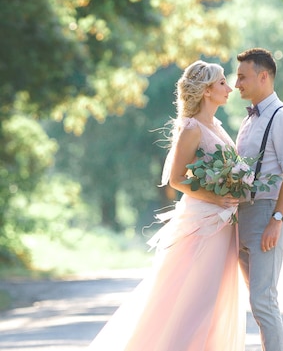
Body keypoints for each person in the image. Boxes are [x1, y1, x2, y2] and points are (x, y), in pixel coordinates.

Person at [87, 60, 245, 351]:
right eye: (222, 82)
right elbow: (175, 179)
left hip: (224, 223)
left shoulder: (218, 126)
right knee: (195, 300)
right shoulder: (192, 129)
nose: (230, 87)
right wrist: (216, 198)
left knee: (216, 300)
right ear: (207, 90)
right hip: (204, 224)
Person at [235, 48, 283, 351]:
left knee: (263, 300)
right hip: (242, 216)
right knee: (256, 299)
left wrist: (278, 219)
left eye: (242, 77)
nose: (236, 83)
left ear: (263, 76)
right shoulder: (248, 121)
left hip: (266, 213)